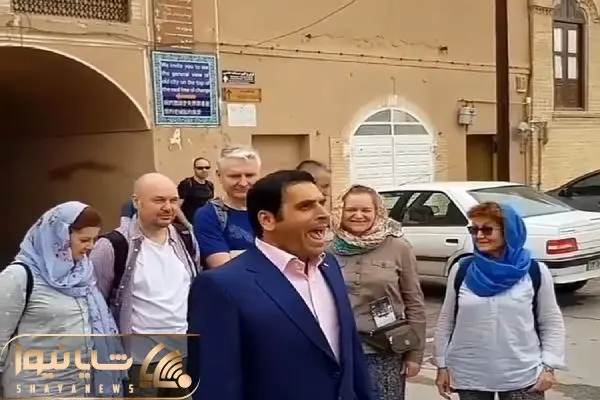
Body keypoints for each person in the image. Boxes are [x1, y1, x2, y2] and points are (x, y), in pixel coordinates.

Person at [188, 170, 375, 400]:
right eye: (306, 206)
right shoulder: (220, 286)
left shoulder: (329, 266)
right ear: (267, 220)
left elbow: (351, 354)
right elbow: (216, 385)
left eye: (321, 203)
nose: (324, 214)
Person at [434, 202, 566, 400]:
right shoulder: (462, 270)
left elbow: (551, 322)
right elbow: (446, 321)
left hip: (523, 374)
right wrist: (442, 366)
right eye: (474, 229)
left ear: (509, 232)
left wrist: (549, 367)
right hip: (469, 374)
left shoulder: (534, 272)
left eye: (487, 230)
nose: (479, 236)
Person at [91, 173, 200, 398]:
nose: (168, 207)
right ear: (136, 202)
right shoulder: (112, 246)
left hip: (180, 356)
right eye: (159, 200)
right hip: (137, 361)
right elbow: (95, 305)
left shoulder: (186, 238)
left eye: (173, 200)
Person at [0, 202, 124, 398]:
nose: (90, 246)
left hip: (81, 389)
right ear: (58, 237)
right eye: (84, 240)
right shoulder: (19, 276)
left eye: (94, 239)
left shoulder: (84, 275)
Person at [329, 184, 426, 400]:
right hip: (340, 349)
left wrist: (415, 354)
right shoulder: (327, 249)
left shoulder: (399, 247)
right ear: (340, 211)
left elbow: (414, 302)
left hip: (385, 350)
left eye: (366, 210)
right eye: (351, 210)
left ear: (378, 212)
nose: (358, 215)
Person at [193, 146, 261, 268]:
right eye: (234, 176)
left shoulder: (273, 209)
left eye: (250, 175)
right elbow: (223, 267)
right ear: (219, 176)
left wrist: (234, 254)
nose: (243, 183)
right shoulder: (209, 215)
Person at [176, 157, 215, 226]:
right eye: (200, 168)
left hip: (204, 224)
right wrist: (187, 224)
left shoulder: (209, 185)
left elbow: (210, 204)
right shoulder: (187, 183)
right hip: (189, 224)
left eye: (207, 167)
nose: (204, 170)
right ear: (194, 169)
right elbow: (176, 207)